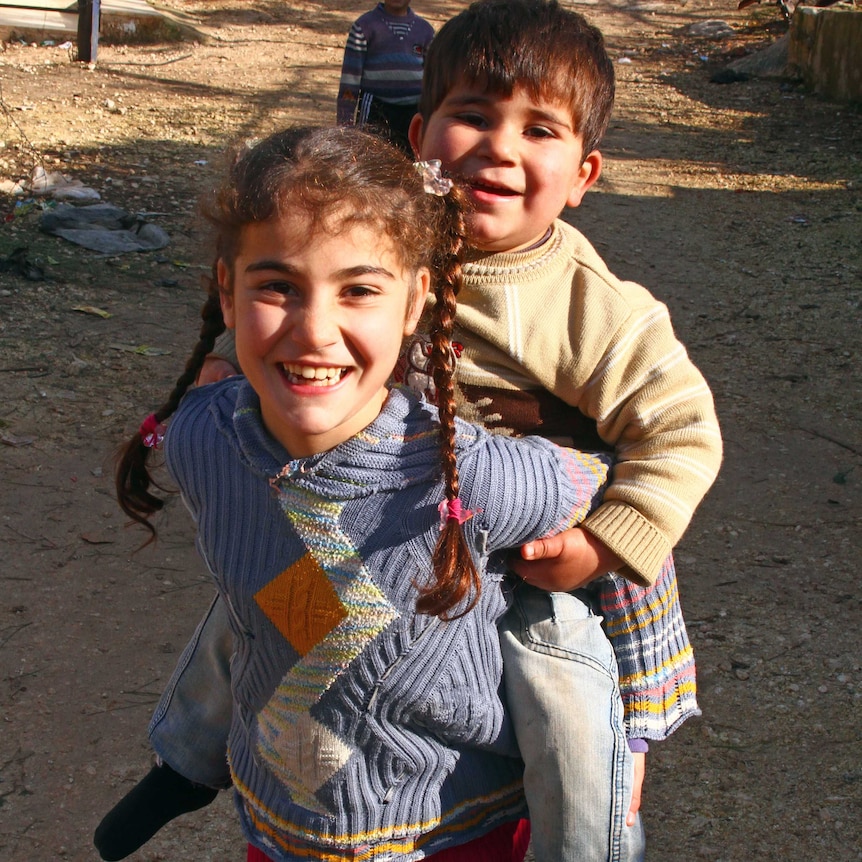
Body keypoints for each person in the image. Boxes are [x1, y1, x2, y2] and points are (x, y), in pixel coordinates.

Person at [96, 2, 723, 860]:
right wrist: (229, 380)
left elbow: (682, 430)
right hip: (405, 512)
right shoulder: (378, 232)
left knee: (566, 703)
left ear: (585, 172)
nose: (500, 146)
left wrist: (610, 540)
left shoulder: (594, 307)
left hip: (549, 537)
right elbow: (313, 331)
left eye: (539, 129)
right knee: (259, 612)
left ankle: (597, 822)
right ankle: (189, 759)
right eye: (474, 116)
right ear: (421, 136)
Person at [336, 1, 434, 154]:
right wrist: (345, 126)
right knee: (371, 159)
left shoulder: (425, 31)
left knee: (411, 163)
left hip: (414, 111)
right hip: (376, 108)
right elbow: (350, 77)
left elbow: (433, 78)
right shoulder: (364, 26)